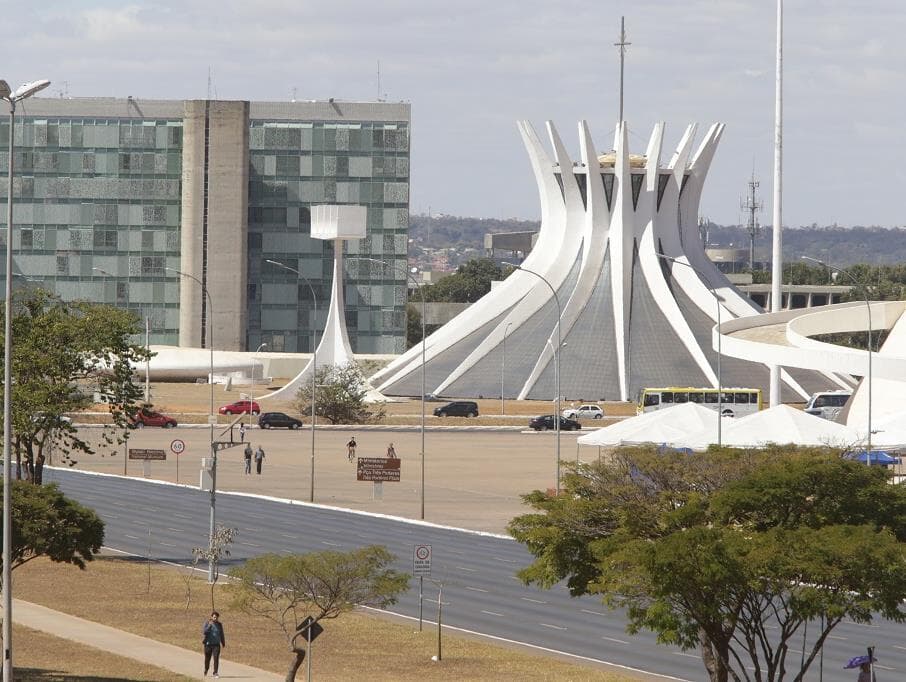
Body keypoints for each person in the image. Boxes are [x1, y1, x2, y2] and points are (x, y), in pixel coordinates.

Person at [202, 610, 226, 677]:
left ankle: (215, 672)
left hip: (216, 645)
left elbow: (221, 634)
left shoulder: (219, 625)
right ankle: (206, 669)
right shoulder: (207, 623)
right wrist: (209, 625)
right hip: (208, 644)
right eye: (214, 617)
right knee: (207, 659)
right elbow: (204, 632)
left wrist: (223, 642)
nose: (215, 618)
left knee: (216, 658)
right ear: (211, 617)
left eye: (216, 617)